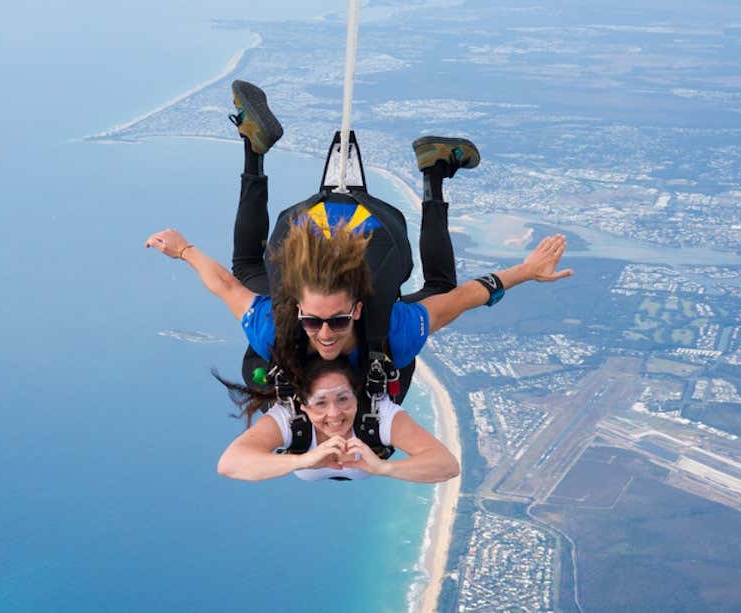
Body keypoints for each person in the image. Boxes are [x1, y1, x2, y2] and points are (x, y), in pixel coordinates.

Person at [143, 81, 574, 404]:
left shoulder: (288, 333)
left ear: (356, 310)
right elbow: (462, 299)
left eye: (332, 321)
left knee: (250, 271)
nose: (325, 333)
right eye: (316, 322)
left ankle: (434, 172)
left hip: (350, 225)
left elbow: (225, 286)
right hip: (318, 225)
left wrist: (182, 250)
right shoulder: (386, 337)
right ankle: (254, 148)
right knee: (251, 268)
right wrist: (527, 272)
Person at [215, 357, 458, 482]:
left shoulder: (376, 415)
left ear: (357, 396)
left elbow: (447, 465)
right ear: (304, 406)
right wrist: (303, 460)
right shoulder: (290, 419)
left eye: (343, 400)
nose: (334, 415)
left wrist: (384, 467)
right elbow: (229, 464)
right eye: (321, 403)